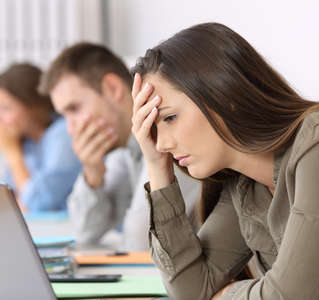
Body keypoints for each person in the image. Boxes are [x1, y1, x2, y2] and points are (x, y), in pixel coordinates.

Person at [131, 22, 319, 300]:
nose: (163, 143)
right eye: (154, 128)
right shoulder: (244, 186)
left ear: (224, 94)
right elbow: (190, 290)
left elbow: (291, 295)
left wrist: (225, 296)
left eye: (170, 118)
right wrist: (156, 167)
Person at [39, 43, 200, 250]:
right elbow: (85, 232)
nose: (71, 129)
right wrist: (93, 173)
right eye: (64, 116)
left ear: (112, 88)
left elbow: (141, 240)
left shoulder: (168, 137)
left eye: (75, 109)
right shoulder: (124, 150)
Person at [0, 63, 81, 212]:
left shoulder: (64, 133)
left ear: (34, 106)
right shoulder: (25, 142)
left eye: (5, 108)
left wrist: (13, 154)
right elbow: (7, 201)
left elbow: (38, 203)